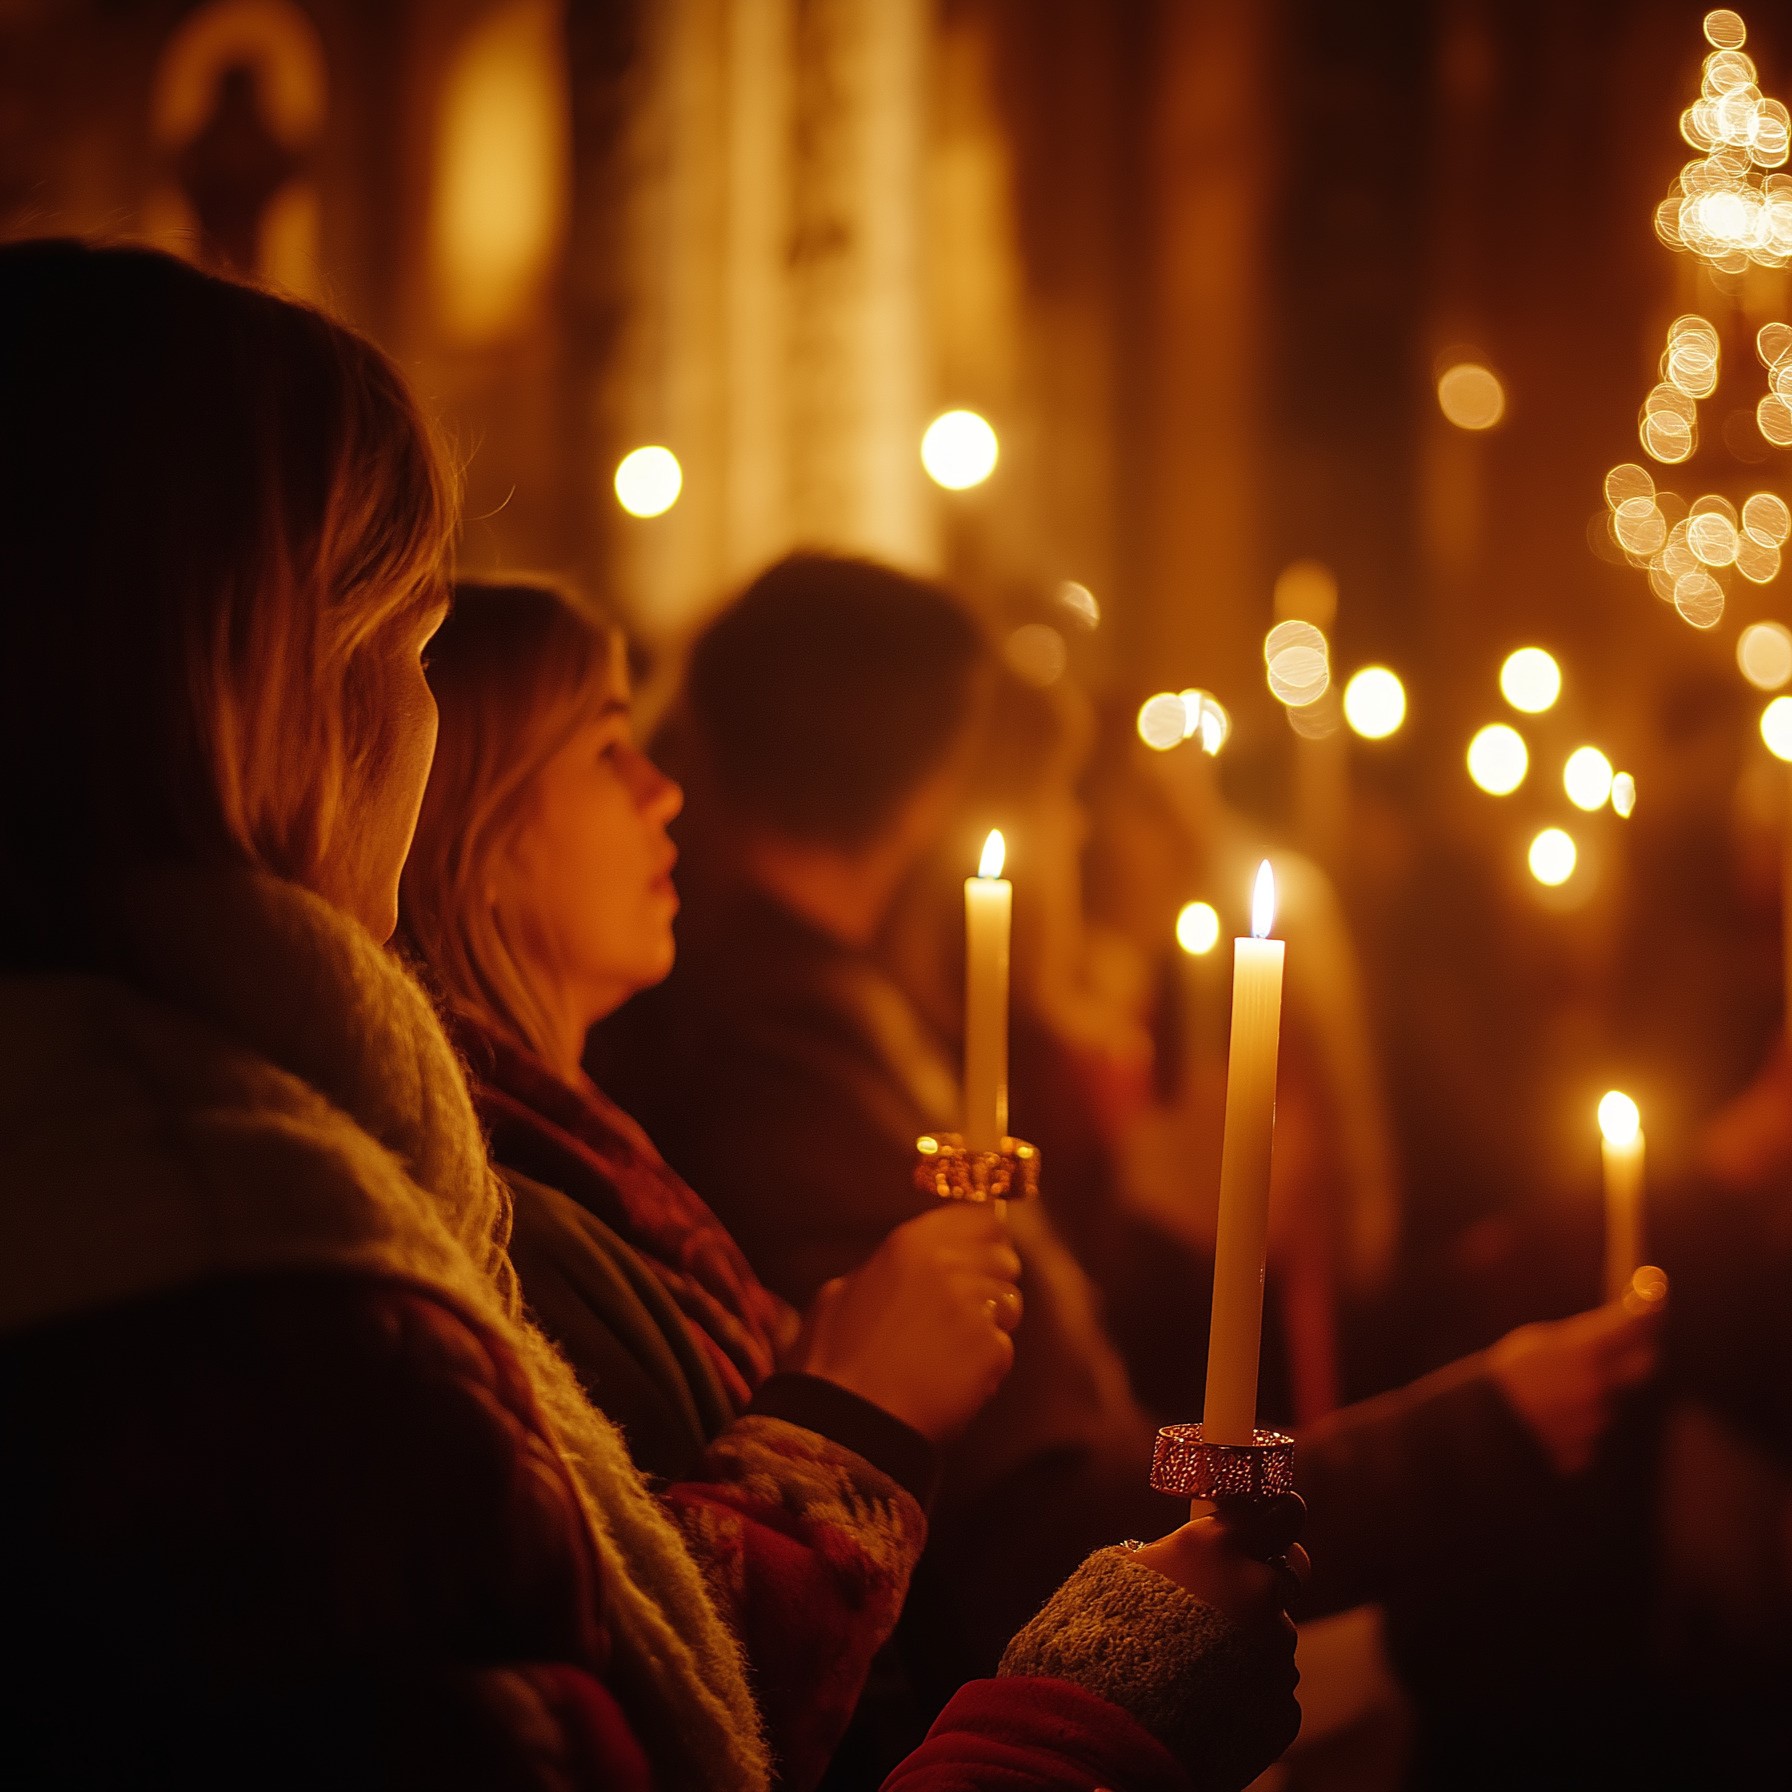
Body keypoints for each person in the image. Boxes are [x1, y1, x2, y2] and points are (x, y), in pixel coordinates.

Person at [0, 239, 1305, 1792]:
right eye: (413, 645)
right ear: (267, 698)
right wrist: (1103, 1702)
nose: (666, 787)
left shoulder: (321, 1209)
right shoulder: (264, 1311)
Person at [602, 553, 1667, 1773]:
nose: (1079, 831)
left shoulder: (855, 1032)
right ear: (930, 789)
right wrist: (1472, 1427)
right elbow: (1050, 1507)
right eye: (1063, 796)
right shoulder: (788, 1068)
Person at [399, 577, 1025, 1786]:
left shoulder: (598, 1158)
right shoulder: (502, 1221)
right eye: (606, 748)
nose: (665, 788)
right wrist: (851, 1411)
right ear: (475, 820)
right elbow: (646, 1683)